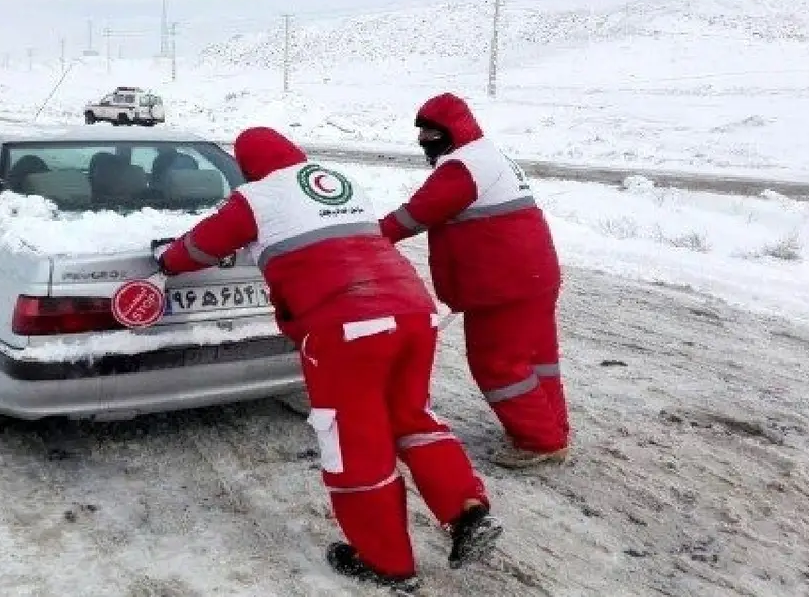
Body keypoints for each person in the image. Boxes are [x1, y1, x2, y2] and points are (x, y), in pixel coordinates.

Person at [153, 126, 503, 592]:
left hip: (347, 327)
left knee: (354, 439)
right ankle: (467, 511)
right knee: (412, 416)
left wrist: (166, 260)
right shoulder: (338, 181)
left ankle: (385, 562)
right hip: (413, 312)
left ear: (248, 167)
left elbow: (201, 246)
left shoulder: (256, 197)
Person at [378, 93, 570, 469]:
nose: (424, 141)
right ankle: (553, 430)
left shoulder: (463, 167)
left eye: (432, 133)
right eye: (421, 133)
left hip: (503, 286)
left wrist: (363, 238)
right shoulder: (488, 156)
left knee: (498, 362)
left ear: (453, 130)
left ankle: (538, 441)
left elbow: (416, 215)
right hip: (533, 275)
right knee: (537, 358)